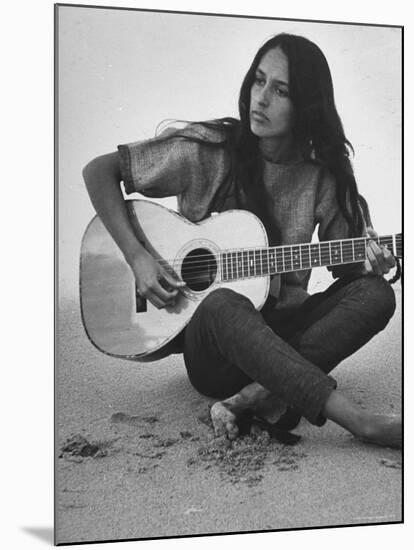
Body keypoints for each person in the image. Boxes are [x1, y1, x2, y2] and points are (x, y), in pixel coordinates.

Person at [82, 33, 401, 448]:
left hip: (286, 338)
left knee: (376, 294)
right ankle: (359, 422)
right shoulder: (210, 151)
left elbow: (348, 270)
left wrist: (372, 261)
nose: (261, 98)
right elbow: (99, 171)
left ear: (307, 104)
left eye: (280, 90)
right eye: (259, 80)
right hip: (216, 352)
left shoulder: (324, 178)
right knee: (222, 302)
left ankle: (251, 397)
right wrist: (138, 257)